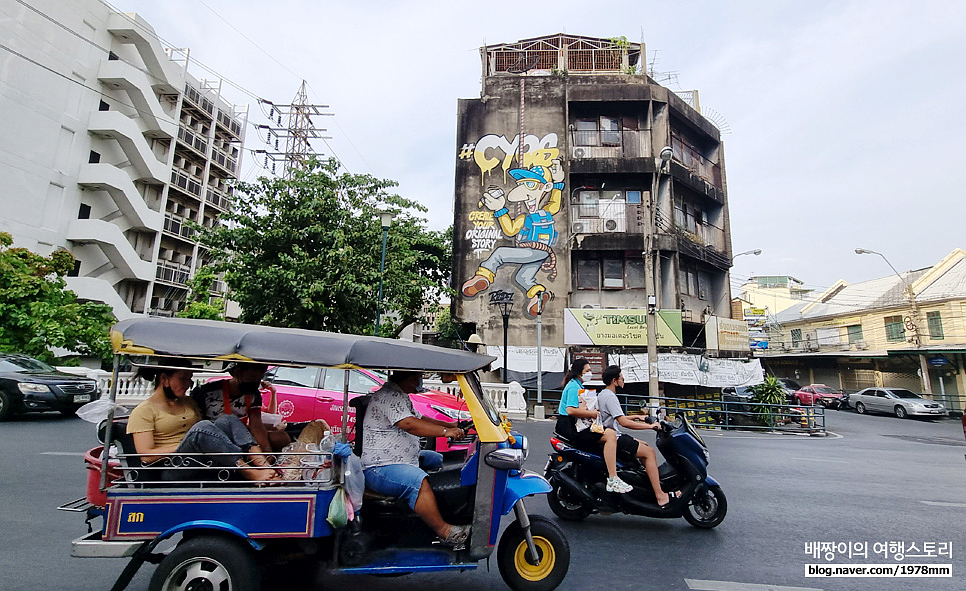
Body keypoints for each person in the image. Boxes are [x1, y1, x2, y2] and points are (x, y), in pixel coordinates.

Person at [361, 370, 469, 545]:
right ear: (411, 379)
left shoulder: (399, 395)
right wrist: (446, 432)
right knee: (417, 481)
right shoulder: (390, 397)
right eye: (419, 377)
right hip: (379, 468)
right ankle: (445, 531)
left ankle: (429, 510)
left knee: (435, 459)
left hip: (399, 459)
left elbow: (420, 418)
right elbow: (409, 424)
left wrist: (450, 424)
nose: (420, 381)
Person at [126, 361, 279, 482]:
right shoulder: (143, 411)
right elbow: (146, 455)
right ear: (164, 379)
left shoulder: (188, 402)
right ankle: (249, 472)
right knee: (202, 427)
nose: (189, 384)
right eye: (183, 379)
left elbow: (209, 431)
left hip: (199, 458)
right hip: (172, 468)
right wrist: (188, 442)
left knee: (227, 420)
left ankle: (262, 464)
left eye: (190, 379)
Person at [596, 365, 673, 507]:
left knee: (643, 445)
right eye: (621, 377)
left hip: (612, 434)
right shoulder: (610, 397)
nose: (623, 379)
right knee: (649, 453)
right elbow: (623, 422)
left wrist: (637, 416)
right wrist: (650, 426)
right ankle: (660, 494)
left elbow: (617, 417)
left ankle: (649, 483)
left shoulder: (603, 394)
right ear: (614, 380)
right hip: (615, 438)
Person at [556, 359, 632, 494]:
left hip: (574, 425)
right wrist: (592, 413)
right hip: (571, 428)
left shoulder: (577, 385)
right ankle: (613, 478)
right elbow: (571, 411)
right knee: (610, 435)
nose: (590, 373)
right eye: (587, 371)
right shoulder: (574, 387)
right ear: (579, 372)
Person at [191, 362, 291, 453]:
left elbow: (256, 426)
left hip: (240, 434)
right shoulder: (206, 391)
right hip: (212, 435)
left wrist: (267, 451)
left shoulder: (254, 394)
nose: (255, 383)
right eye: (250, 379)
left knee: (282, 438)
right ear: (235, 373)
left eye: (258, 379)